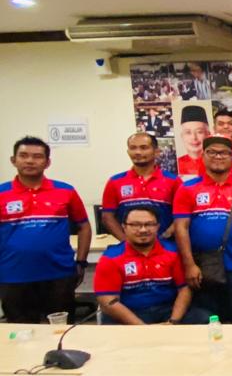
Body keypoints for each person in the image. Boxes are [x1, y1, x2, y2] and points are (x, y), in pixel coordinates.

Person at [173, 136, 232, 322]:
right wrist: (189, 265)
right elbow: (181, 227)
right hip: (203, 267)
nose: (218, 156)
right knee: (207, 319)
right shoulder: (187, 189)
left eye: (224, 153)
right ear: (203, 156)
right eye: (212, 152)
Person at [0, 136, 91, 323]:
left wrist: (81, 262)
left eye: (37, 156)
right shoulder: (2, 193)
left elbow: (84, 226)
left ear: (47, 162)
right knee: (21, 331)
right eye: (24, 155)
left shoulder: (65, 191)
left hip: (59, 274)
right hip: (13, 275)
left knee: (61, 329)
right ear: (13, 160)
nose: (30, 161)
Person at [94, 207, 208, 325]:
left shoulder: (173, 252)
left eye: (149, 224)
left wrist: (173, 321)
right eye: (135, 225)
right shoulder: (110, 258)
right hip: (129, 312)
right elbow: (108, 300)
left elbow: (184, 289)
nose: (143, 230)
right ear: (124, 227)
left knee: (204, 319)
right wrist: (144, 328)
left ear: (157, 226)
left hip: (168, 310)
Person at [101, 132, 181, 240]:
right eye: (133, 148)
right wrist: (126, 242)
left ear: (157, 152)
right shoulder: (115, 181)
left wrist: (165, 237)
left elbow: (182, 216)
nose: (137, 152)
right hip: (129, 247)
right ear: (128, 152)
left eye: (144, 148)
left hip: (165, 246)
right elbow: (107, 217)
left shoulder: (174, 181)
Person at [177, 104, 210, 178]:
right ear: (182, 136)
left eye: (199, 132)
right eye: (188, 132)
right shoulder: (176, 164)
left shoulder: (217, 162)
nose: (194, 137)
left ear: (208, 135)